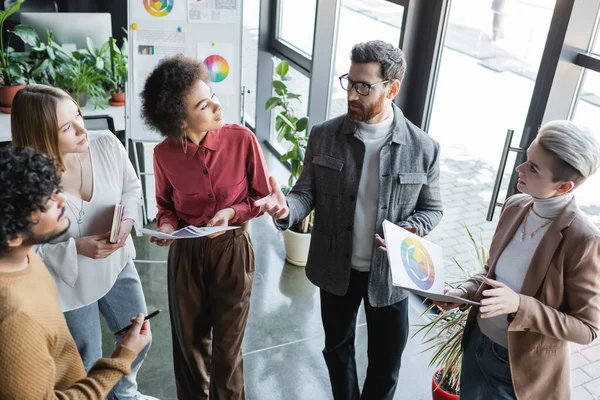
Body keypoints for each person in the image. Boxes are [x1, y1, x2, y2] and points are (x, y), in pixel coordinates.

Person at [256, 40, 443, 400]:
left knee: (386, 363)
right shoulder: (324, 136)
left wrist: (411, 229)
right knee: (336, 349)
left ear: (392, 87)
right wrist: (284, 210)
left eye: (364, 86)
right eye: (349, 82)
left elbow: (432, 209)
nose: (352, 95)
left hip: (389, 277)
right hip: (336, 270)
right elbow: (304, 194)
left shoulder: (424, 148)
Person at [435, 120, 600, 399]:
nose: (519, 169)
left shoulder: (583, 240)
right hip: (478, 343)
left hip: (518, 368)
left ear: (563, 187)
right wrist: (464, 292)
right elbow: (492, 273)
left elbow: (588, 329)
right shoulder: (516, 205)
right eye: (527, 159)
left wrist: (520, 305)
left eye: (533, 168)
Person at [11, 84, 157, 400]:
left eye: (78, 113)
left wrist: (128, 221)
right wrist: (76, 248)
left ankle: (126, 392)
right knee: (84, 360)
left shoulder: (107, 146)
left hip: (118, 264)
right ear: (42, 135)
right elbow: (21, 251)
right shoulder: (28, 185)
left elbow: (131, 189)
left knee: (139, 335)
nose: (82, 128)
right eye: (67, 126)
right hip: (69, 287)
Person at [141, 54, 271, 400]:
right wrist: (167, 227)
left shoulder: (241, 140)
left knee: (227, 353)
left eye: (212, 94)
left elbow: (261, 197)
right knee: (190, 348)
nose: (216, 105)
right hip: (187, 254)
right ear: (180, 121)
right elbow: (166, 207)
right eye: (203, 104)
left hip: (232, 251)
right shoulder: (163, 156)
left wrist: (232, 212)